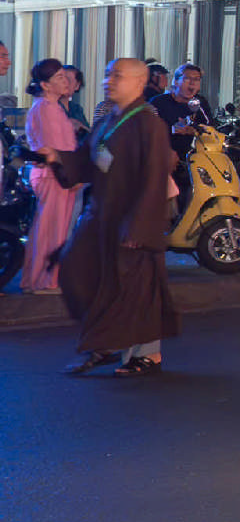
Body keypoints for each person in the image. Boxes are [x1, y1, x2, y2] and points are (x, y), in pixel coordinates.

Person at [31, 58, 180, 377]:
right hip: (102, 214)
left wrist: (139, 227)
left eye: (117, 76)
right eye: (108, 74)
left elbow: (154, 177)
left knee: (136, 288)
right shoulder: (108, 120)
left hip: (132, 217)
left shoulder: (148, 123)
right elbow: (89, 160)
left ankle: (146, 355)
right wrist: (58, 157)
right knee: (79, 271)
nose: (108, 81)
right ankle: (107, 342)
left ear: (138, 82)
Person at [21, 60, 82, 295]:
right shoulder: (45, 109)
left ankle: (38, 279)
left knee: (50, 228)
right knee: (51, 230)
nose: (65, 81)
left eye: (65, 76)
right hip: (53, 175)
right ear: (45, 85)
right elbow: (55, 150)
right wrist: (73, 174)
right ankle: (44, 280)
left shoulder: (52, 108)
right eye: (59, 77)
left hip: (56, 175)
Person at [149, 62, 214, 162]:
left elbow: (210, 128)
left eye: (196, 79)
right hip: (162, 158)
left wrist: (193, 130)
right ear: (176, 81)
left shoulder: (200, 102)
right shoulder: (158, 102)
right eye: (187, 78)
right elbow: (148, 132)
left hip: (194, 159)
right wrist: (173, 129)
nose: (192, 83)